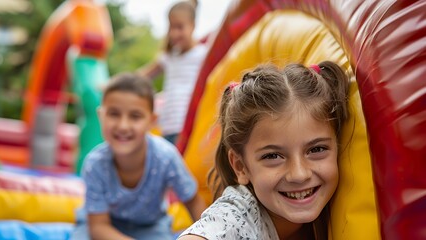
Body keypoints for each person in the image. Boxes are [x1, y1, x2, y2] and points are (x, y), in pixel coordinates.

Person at [178, 61, 350, 239]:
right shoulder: (239, 216)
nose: (299, 174)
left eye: (316, 149)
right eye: (273, 156)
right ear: (241, 167)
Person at [70, 73, 206, 240]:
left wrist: (206, 235)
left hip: (150, 227)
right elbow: (98, 226)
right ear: (101, 116)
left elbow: (192, 201)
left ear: (151, 121)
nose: (123, 126)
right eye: (114, 114)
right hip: (106, 227)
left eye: (135, 116)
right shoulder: (95, 163)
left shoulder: (165, 157)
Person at [136, 0, 208, 144]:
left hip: (188, 124)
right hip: (168, 125)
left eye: (180, 27)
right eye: (171, 27)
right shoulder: (169, 57)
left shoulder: (202, 54)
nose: (174, 33)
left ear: (192, 26)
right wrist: (117, 83)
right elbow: (144, 74)